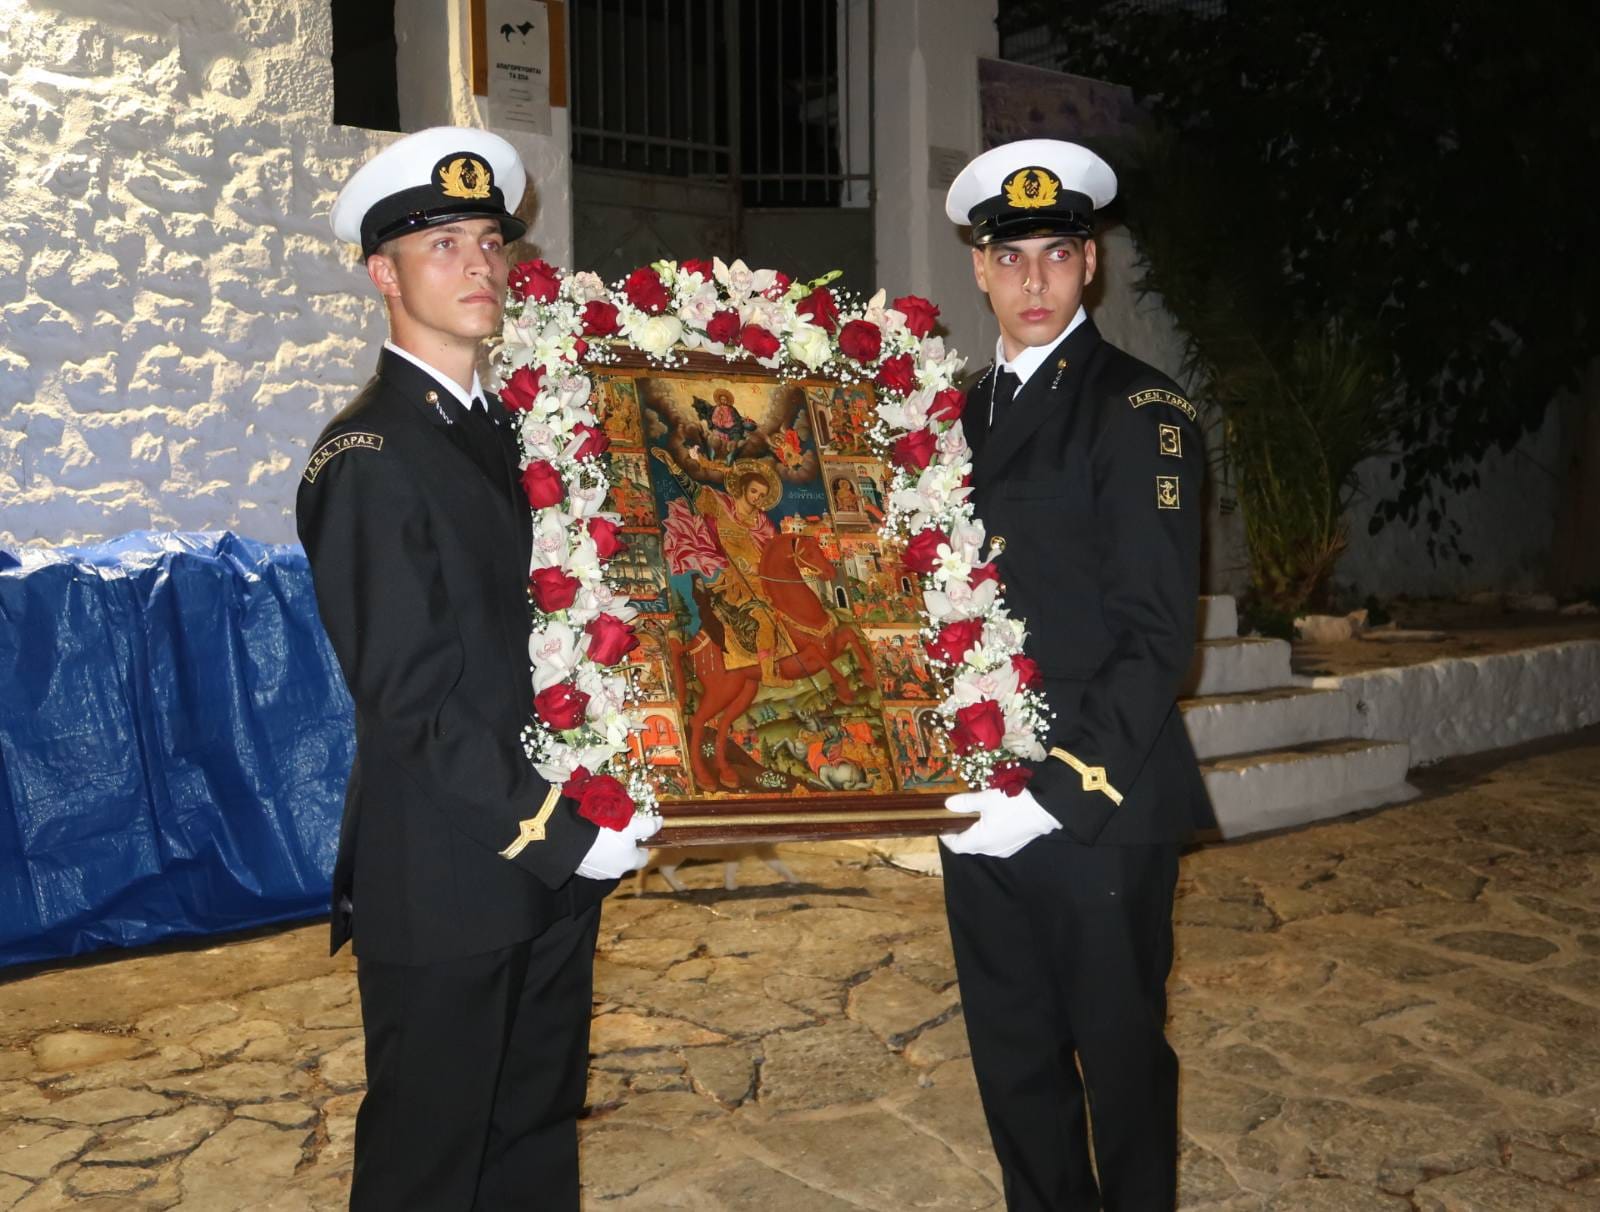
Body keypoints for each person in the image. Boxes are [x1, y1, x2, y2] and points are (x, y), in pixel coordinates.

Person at [296, 126, 656, 1210]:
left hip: (548, 868)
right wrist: (558, 831)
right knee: (430, 1166)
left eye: (490, 242)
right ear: (384, 274)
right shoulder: (369, 457)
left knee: (533, 1144)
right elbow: (412, 703)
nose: (479, 266)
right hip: (452, 876)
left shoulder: (509, 434)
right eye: (442, 245)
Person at [937, 139, 1214, 1210]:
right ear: (980, 269)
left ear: (1090, 264)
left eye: (1057, 254)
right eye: (1011, 259)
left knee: (1119, 1061)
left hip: (1096, 799)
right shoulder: (953, 416)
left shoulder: (1138, 411)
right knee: (1014, 1060)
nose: (1034, 281)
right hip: (976, 794)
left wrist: (1054, 791)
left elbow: (1157, 636)